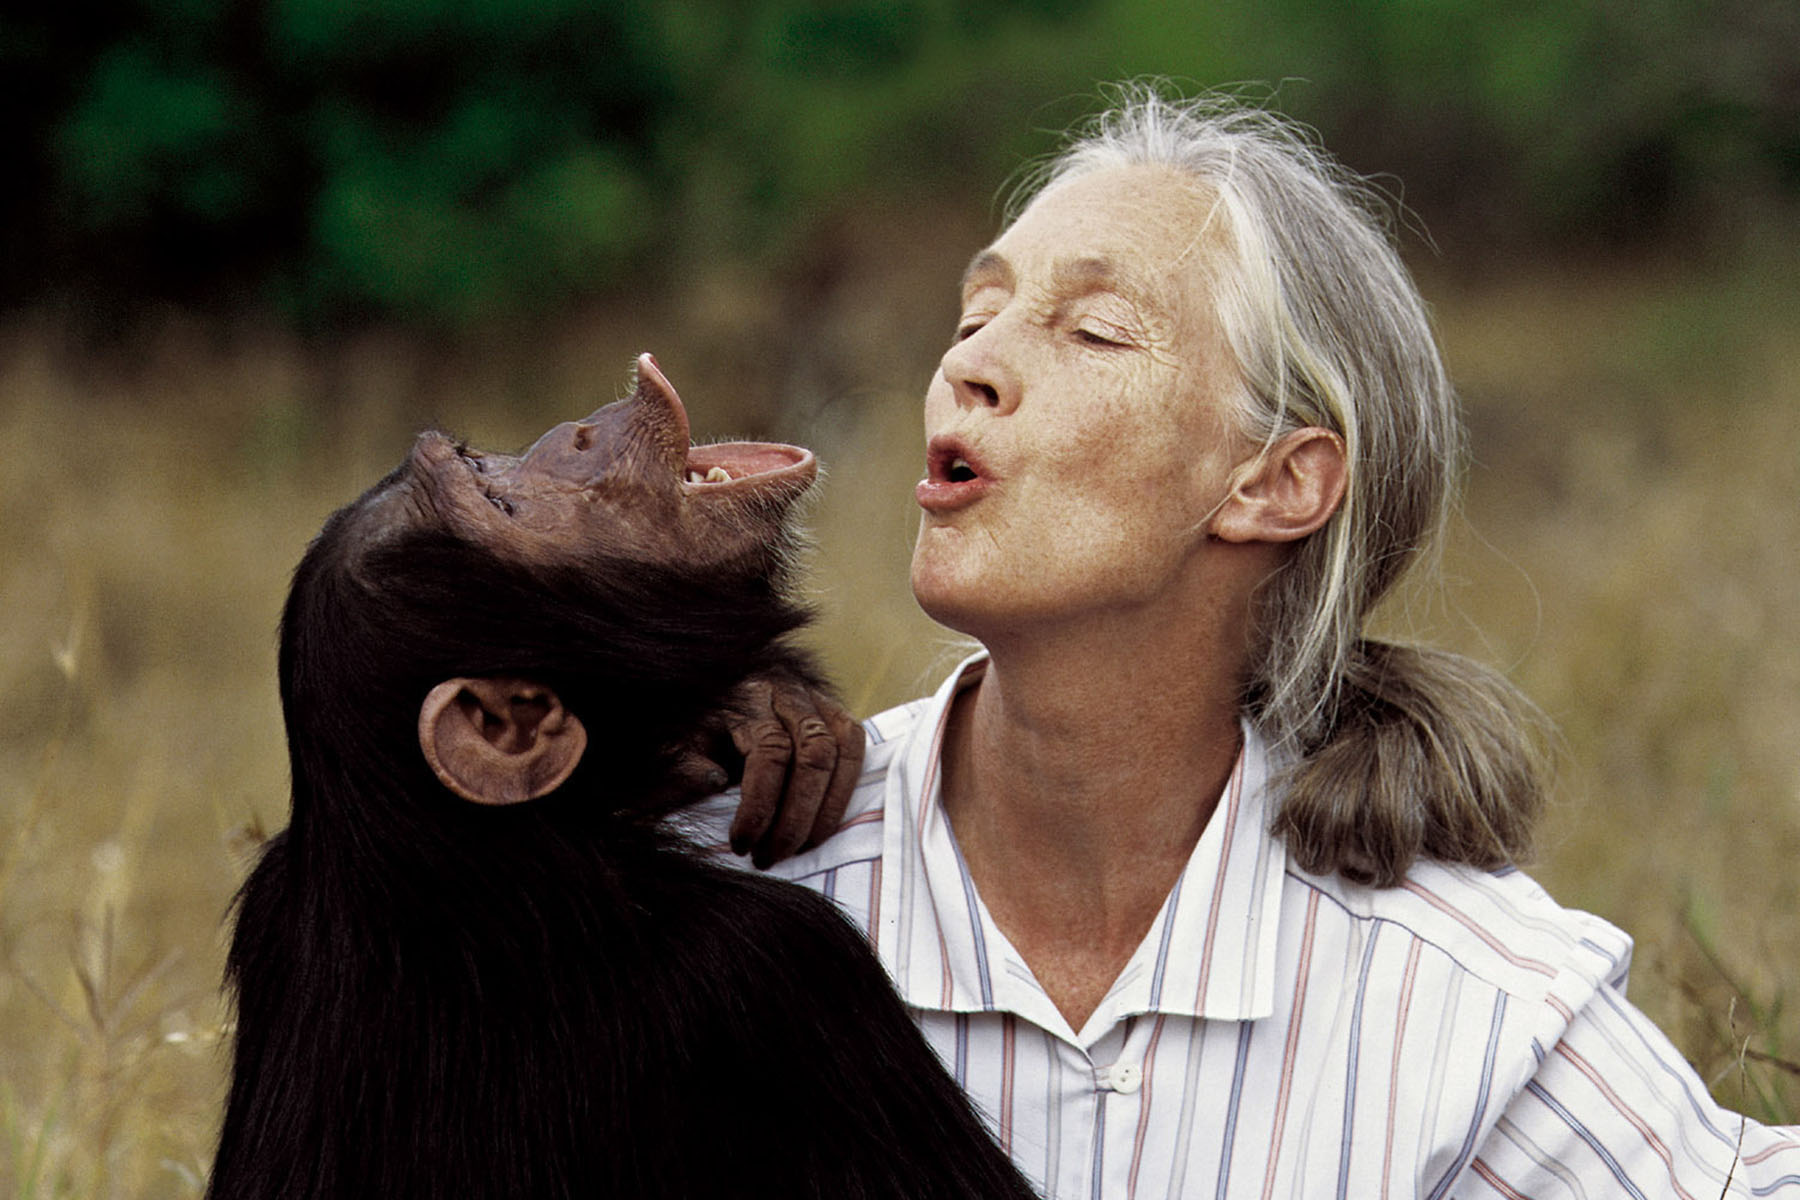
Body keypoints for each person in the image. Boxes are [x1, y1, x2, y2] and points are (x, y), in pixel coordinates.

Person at [689, 86, 1800, 1197]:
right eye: (975, 316)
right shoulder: (718, 879)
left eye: (1094, 331)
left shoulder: (1471, 1009)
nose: (966, 367)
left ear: (1276, 483)